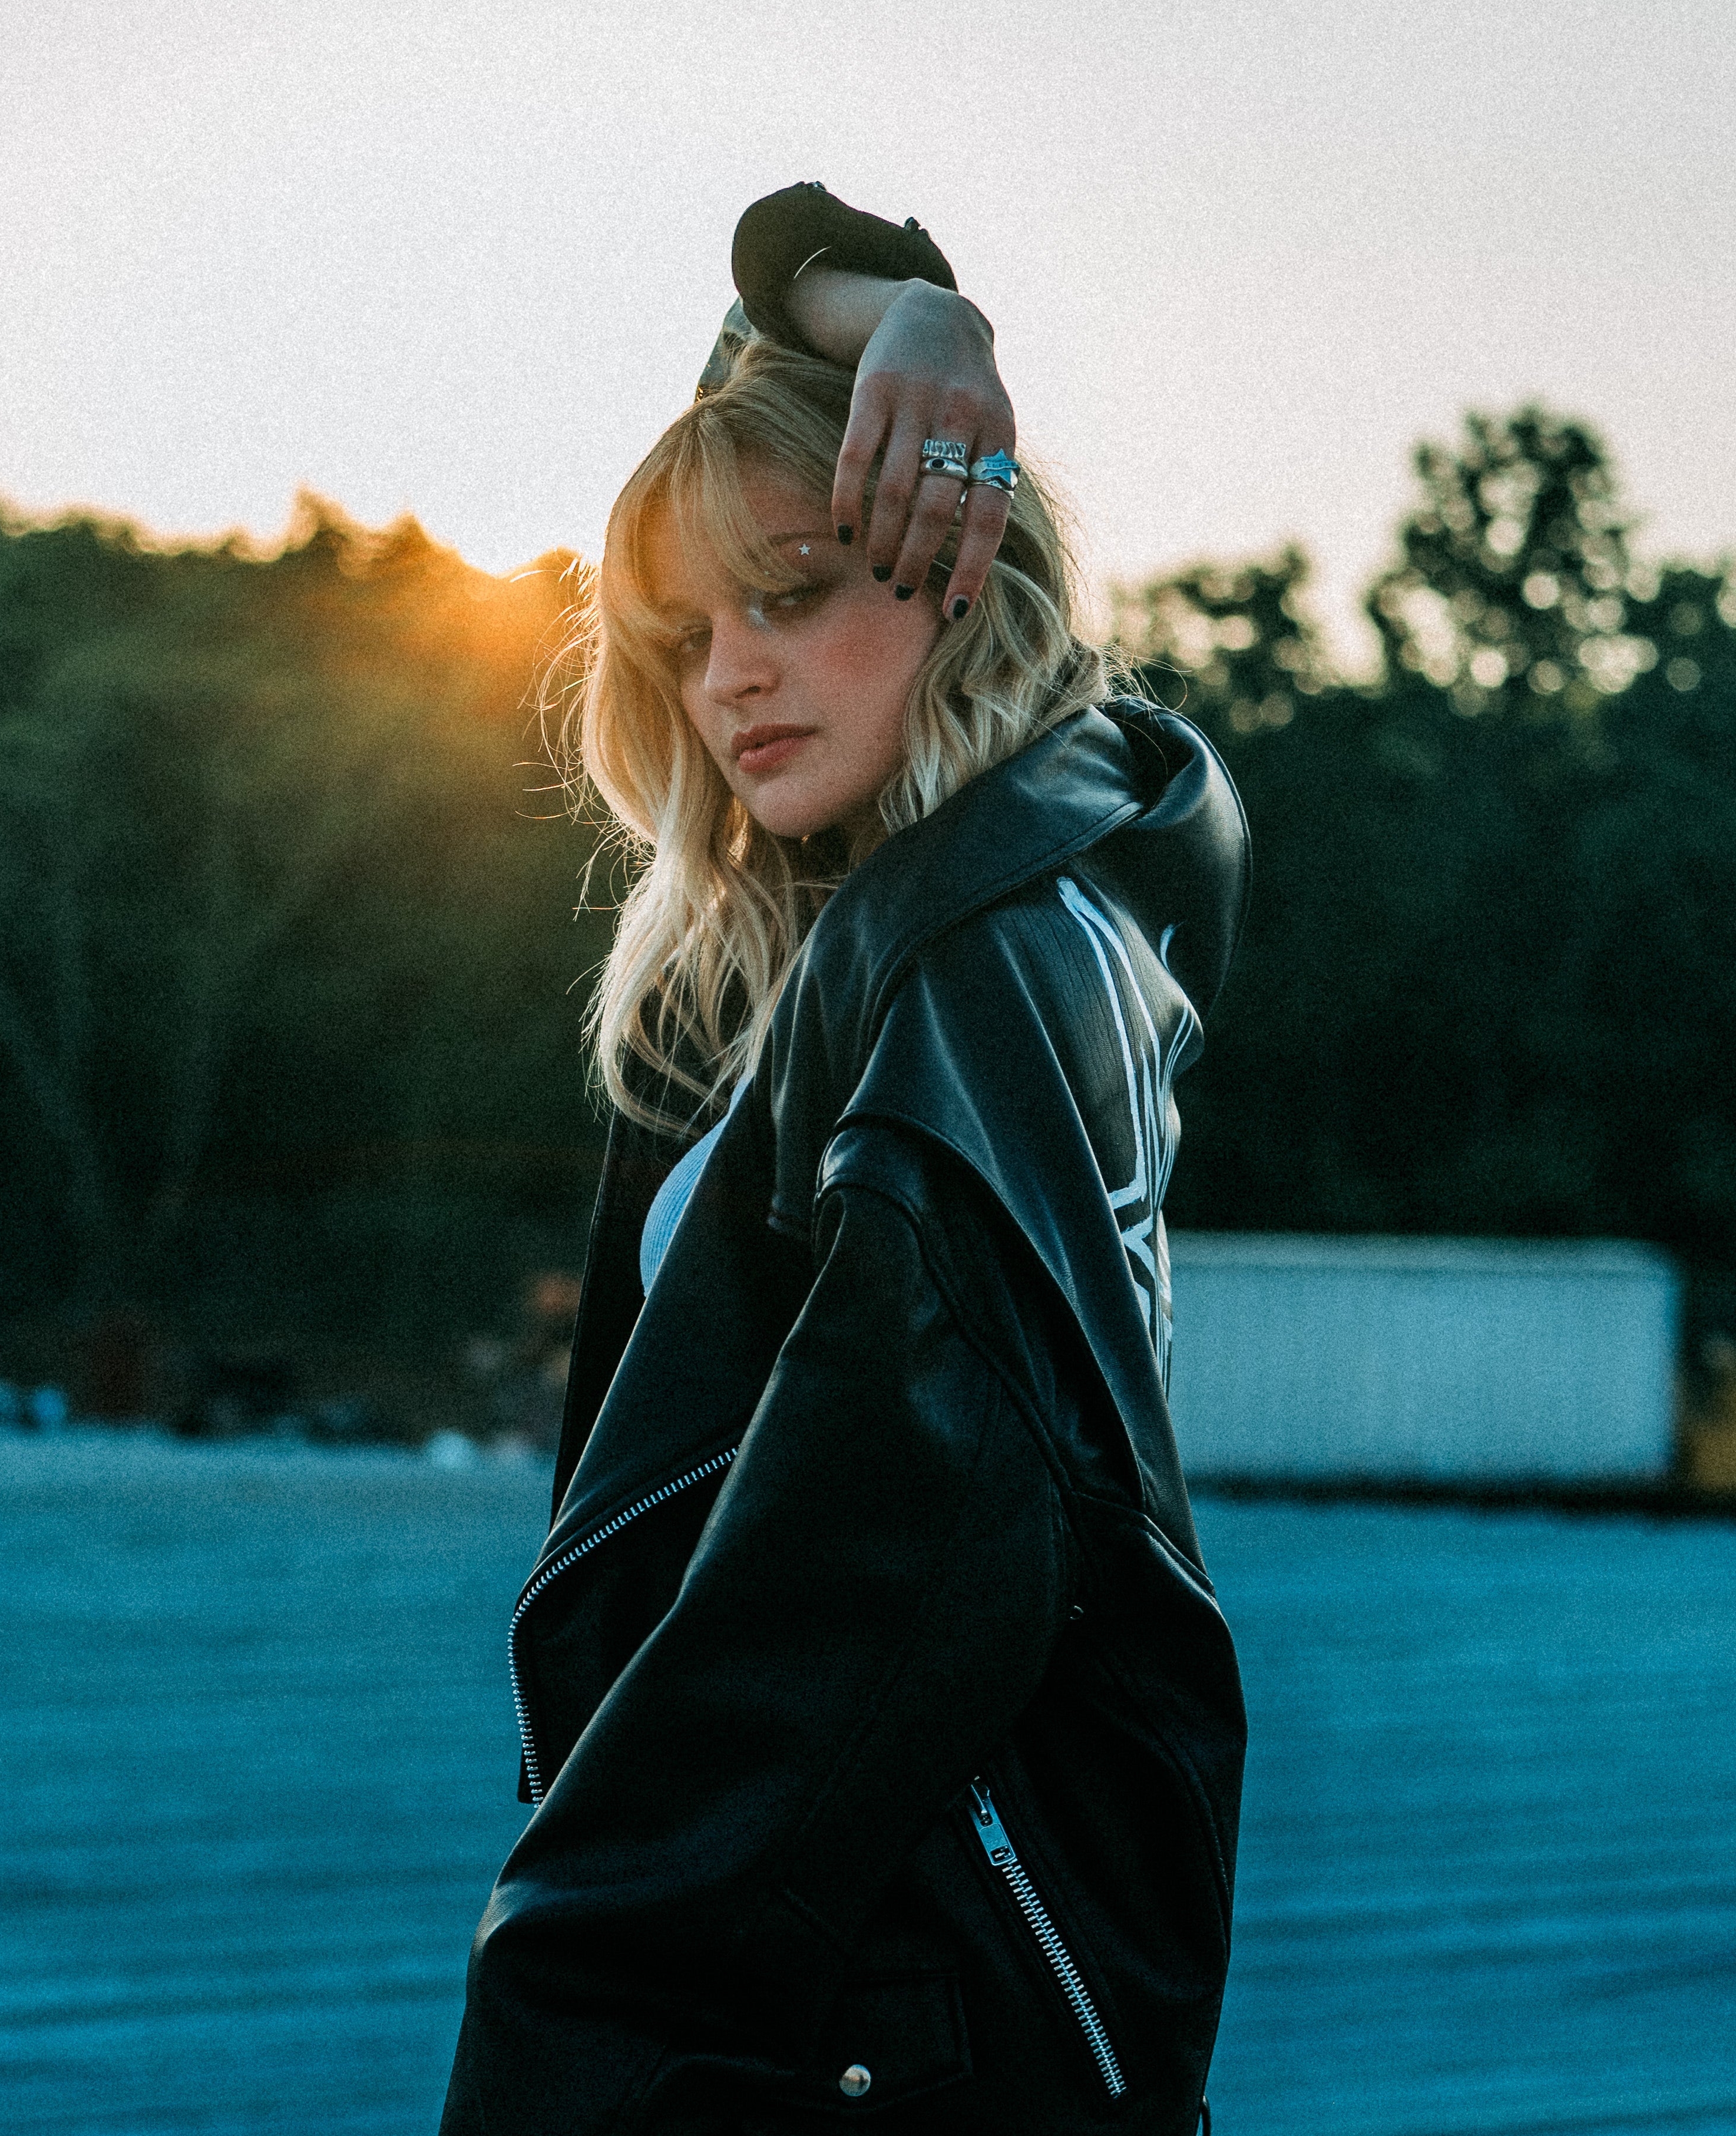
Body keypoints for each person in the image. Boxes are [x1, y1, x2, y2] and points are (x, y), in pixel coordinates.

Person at [441, 184, 1248, 2134]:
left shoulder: (992, 969)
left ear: (959, 546)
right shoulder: (799, 976)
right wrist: (894, 290)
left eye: (795, 588)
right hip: (822, 1960)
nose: (727, 674)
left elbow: (882, 1560)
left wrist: (576, 1993)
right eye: (682, 631)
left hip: (891, 1992)